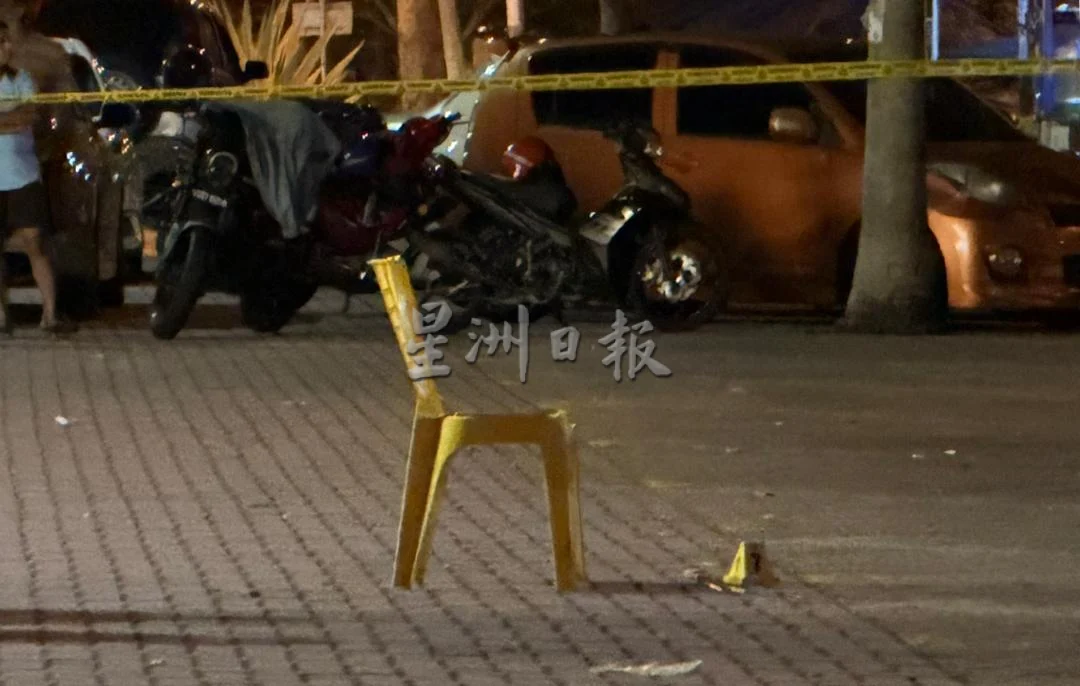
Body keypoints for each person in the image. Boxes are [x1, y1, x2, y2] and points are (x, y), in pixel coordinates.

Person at [0, 20, 74, 334]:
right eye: (0, 42)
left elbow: (27, 118)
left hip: (22, 175)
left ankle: (50, 314)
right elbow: (14, 119)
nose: (6, 48)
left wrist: (9, 120)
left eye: (6, 42)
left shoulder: (22, 80)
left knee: (34, 241)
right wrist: (9, 118)